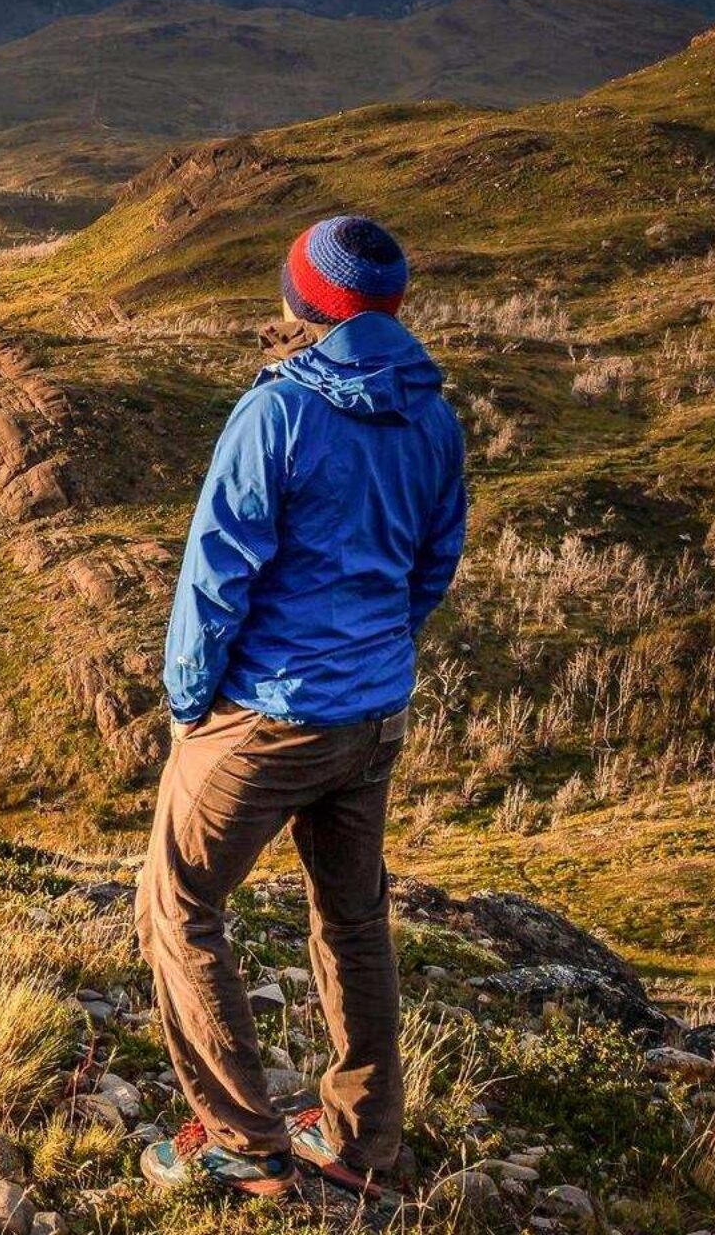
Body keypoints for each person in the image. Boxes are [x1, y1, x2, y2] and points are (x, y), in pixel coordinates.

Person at [136, 215, 467, 1199]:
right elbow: (430, 566)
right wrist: (374, 656)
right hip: (371, 716)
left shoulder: (276, 413)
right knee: (352, 917)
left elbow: (214, 576)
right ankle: (365, 1147)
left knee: (176, 904)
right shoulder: (432, 417)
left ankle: (243, 1140)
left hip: (268, 717)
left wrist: (188, 704)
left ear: (304, 304)